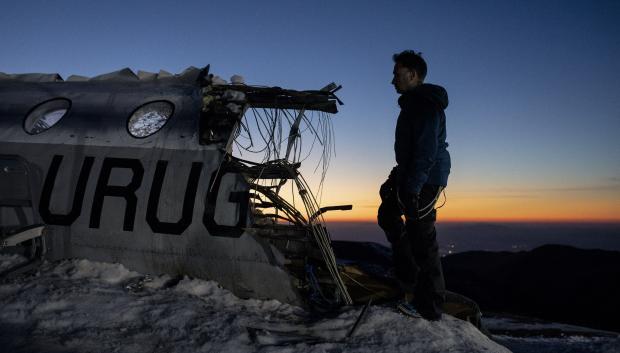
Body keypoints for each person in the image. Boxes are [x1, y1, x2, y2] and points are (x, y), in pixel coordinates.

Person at [378, 50, 451, 320]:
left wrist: (412, 187)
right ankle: (407, 277)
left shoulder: (424, 105)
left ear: (413, 75)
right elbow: (411, 152)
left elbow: (426, 152)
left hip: (427, 177)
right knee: (388, 214)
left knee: (422, 234)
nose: (392, 80)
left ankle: (429, 306)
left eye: (396, 74)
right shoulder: (413, 103)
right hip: (413, 173)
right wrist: (395, 178)